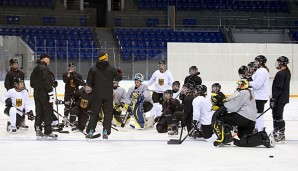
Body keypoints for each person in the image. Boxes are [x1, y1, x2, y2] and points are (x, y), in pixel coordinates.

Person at [213, 80, 273, 148]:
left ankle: (224, 138)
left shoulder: (242, 93)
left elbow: (233, 107)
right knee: (243, 139)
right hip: (251, 120)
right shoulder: (250, 92)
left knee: (220, 118)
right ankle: (263, 138)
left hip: (243, 118)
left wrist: (222, 105)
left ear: (244, 85)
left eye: (240, 85)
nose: (238, 86)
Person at [85, 51, 122, 139]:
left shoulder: (93, 69)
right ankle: (105, 131)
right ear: (105, 57)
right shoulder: (112, 68)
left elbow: (88, 83)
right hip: (108, 94)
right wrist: (118, 71)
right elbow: (119, 78)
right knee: (108, 113)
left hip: (96, 94)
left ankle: (90, 130)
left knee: (94, 113)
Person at [30, 54, 58, 139]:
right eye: (48, 59)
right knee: (47, 111)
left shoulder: (35, 68)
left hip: (37, 93)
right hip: (45, 94)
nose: (49, 60)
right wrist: (50, 93)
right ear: (44, 59)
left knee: (39, 111)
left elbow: (31, 83)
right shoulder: (44, 68)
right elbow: (46, 82)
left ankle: (38, 128)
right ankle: (48, 131)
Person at [270, 56, 291, 142]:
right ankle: (276, 132)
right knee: (277, 115)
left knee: (278, 116)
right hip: (282, 98)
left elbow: (278, 88)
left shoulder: (280, 73)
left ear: (281, 63)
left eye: (278, 62)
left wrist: (273, 99)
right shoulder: (287, 72)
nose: (277, 64)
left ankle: (281, 134)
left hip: (279, 99)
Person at [249, 55, 270, 132]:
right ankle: (258, 129)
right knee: (257, 114)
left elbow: (257, 85)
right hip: (259, 96)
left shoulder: (262, 71)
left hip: (260, 97)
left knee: (259, 114)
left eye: (256, 61)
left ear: (260, 62)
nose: (255, 63)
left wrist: (248, 83)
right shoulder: (261, 70)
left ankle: (260, 130)